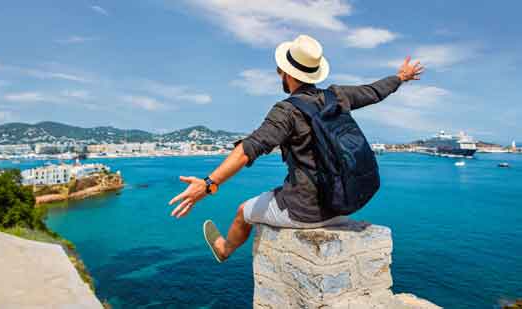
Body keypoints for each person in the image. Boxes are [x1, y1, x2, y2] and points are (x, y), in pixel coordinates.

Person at [168, 34, 423, 263]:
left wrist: (208, 184)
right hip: (345, 201)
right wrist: (401, 77)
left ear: (286, 73)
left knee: (242, 212)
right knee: (274, 194)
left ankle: (224, 249)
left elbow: (249, 148)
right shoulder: (337, 96)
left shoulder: (287, 110)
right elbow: (374, 91)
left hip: (307, 211)